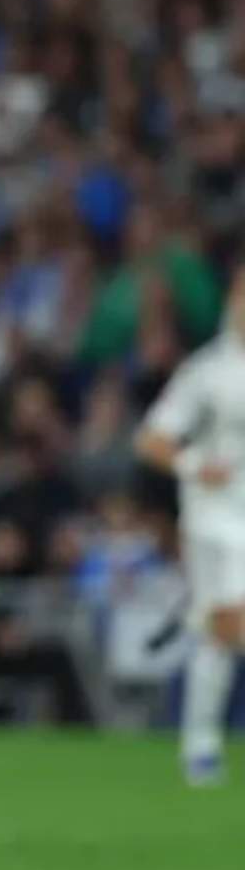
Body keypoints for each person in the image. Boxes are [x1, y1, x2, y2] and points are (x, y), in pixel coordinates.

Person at [136, 267, 245, 787]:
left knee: (219, 635)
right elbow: (152, 439)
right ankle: (200, 744)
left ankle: (200, 746)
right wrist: (196, 465)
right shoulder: (208, 372)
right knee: (232, 621)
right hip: (215, 518)